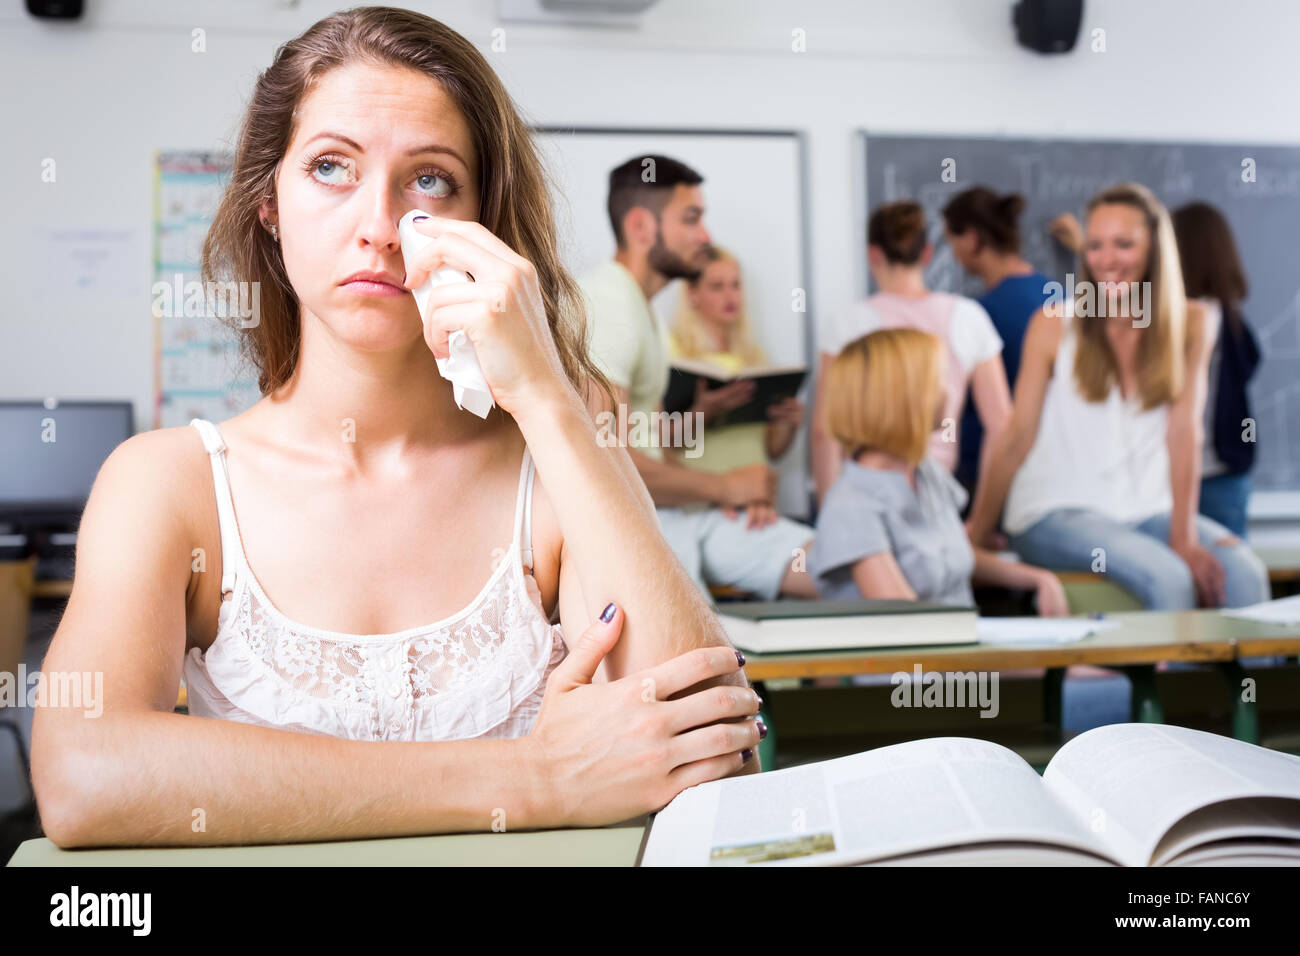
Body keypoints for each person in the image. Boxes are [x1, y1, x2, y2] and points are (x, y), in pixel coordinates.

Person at [30, 7, 764, 849]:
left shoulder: (557, 443)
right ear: (270, 203)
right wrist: (535, 776)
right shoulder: (166, 482)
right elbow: (84, 776)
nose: (378, 224)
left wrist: (554, 397)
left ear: (481, 217)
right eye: (331, 167)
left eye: (429, 180)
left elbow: (712, 755)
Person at [965, 182, 1270, 611]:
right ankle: (1171, 679)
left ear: (1155, 252)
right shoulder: (1054, 324)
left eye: (1124, 244)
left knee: (1245, 575)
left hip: (1145, 510)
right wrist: (976, 533)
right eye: (1095, 245)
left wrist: (1184, 536)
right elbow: (1016, 438)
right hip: (1055, 513)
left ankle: (1249, 682)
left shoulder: (1194, 323)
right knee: (1169, 579)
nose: (1106, 260)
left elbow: (1185, 433)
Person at [580, 156, 818, 600]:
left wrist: (733, 493)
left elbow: (647, 441)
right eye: (691, 219)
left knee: (834, 563)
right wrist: (727, 486)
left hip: (678, 515)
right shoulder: (610, 305)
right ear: (640, 227)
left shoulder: (641, 310)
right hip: (637, 530)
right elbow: (607, 459)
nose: (705, 236)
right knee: (718, 653)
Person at [809, 327, 1067, 614]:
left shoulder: (926, 474)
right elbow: (910, 624)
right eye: (937, 381)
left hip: (965, 649)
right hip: (931, 656)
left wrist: (1038, 579)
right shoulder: (852, 505)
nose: (948, 391)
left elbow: (952, 552)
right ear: (902, 397)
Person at [812, 200, 1012, 506]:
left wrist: (831, 518)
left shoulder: (848, 323)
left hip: (866, 492)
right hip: (939, 495)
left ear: (872, 254)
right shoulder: (968, 317)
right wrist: (981, 522)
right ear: (927, 253)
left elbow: (825, 431)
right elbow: (1001, 426)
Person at [942, 187, 1056, 498]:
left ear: (971, 238)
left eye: (952, 242)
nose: (953, 254)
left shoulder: (979, 315)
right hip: (1049, 470)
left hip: (989, 478)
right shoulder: (1057, 295)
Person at [667, 244, 805, 483]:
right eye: (717, 286)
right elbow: (660, 446)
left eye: (736, 285)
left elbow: (773, 450)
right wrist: (704, 411)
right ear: (693, 293)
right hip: (703, 501)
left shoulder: (755, 358)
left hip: (755, 502)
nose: (730, 297)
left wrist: (789, 423)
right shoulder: (673, 352)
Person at [1172, 202, 1261, 538]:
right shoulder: (1230, 317)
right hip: (1225, 471)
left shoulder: (1188, 318)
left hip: (1199, 472)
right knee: (1225, 578)